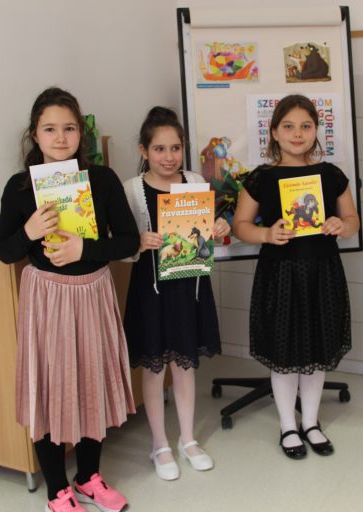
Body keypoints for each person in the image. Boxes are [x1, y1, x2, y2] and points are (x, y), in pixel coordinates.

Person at [0, 87, 139, 512]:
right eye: (50, 129)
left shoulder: (102, 180)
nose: (60, 138)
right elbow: (3, 251)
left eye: (70, 128)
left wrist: (84, 249)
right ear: (35, 135)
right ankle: (57, 489)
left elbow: (128, 241)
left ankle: (88, 477)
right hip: (48, 298)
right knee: (49, 388)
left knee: (94, 382)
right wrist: (29, 232)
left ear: (81, 134)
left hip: (93, 291)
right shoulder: (20, 188)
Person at [232, 94, 360, 460]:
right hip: (281, 275)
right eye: (288, 126)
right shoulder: (261, 178)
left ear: (316, 130)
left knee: (318, 351)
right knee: (284, 353)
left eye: (305, 126)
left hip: (322, 273)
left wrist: (341, 225)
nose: (297, 133)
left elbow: (352, 220)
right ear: (274, 132)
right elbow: (240, 226)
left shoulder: (331, 175)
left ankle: (312, 422)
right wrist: (266, 233)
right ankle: (288, 425)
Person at [122, 107, 228, 480]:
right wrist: (138, 242)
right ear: (144, 151)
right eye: (159, 149)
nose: (169, 157)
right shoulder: (132, 190)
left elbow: (208, 233)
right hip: (151, 291)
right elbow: (122, 246)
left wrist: (219, 227)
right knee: (155, 369)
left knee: (184, 364)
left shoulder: (195, 181)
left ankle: (187, 439)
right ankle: (159, 444)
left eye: (175, 148)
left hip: (188, 287)